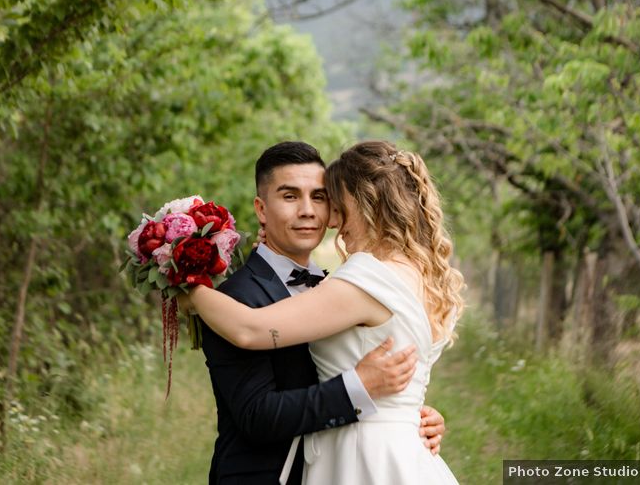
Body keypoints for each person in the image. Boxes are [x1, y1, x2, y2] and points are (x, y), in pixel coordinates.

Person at [183, 140, 464, 484]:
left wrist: (408, 416)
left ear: (364, 204)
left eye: (322, 198)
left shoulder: (353, 281)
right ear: (261, 209)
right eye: (289, 197)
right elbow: (256, 415)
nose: (321, 217)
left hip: (363, 460)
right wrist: (362, 391)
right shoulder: (236, 297)